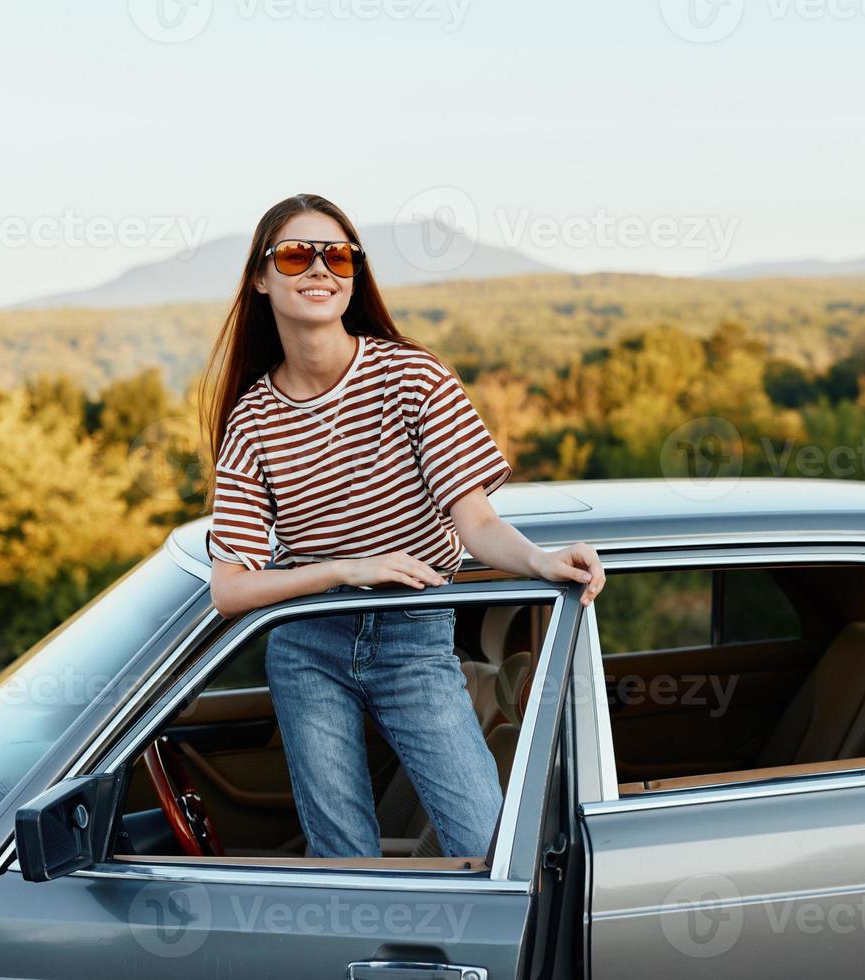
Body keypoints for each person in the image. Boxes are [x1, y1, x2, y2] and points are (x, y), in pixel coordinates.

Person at [200, 193, 605, 858]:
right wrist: (343, 571)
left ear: (354, 274)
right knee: (341, 858)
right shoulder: (252, 419)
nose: (319, 270)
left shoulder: (411, 376)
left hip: (412, 636)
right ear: (261, 277)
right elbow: (229, 590)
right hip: (306, 643)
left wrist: (541, 561)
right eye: (298, 255)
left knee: (486, 846)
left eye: (338, 256)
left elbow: (474, 520)